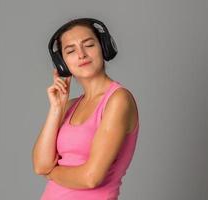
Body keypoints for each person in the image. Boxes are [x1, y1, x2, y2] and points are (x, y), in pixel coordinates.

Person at [32, 17, 140, 200]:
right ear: (62, 63)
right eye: (70, 50)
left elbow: (91, 177)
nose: (81, 54)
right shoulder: (69, 105)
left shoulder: (118, 100)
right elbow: (41, 165)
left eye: (89, 45)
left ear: (104, 48)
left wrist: (52, 173)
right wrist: (56, 108)